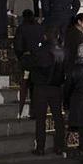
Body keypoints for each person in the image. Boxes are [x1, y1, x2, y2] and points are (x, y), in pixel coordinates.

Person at [27, 27, 66, 156]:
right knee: (58, 118)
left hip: (42, 87)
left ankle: (41, 147)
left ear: (46, 36)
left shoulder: (42, 51)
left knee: (41, 119)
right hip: (56, 87)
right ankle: (60, 146)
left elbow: (32, 64)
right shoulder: (62, 51)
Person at [13, 10, 44, 117]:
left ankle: (21, 110)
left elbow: (18, 45)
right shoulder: (40, 27)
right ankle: (34, 111)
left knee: (25, 84)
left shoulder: (22, 28)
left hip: (27, 60)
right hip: (39, 60)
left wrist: (20, 56)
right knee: (35, 86)